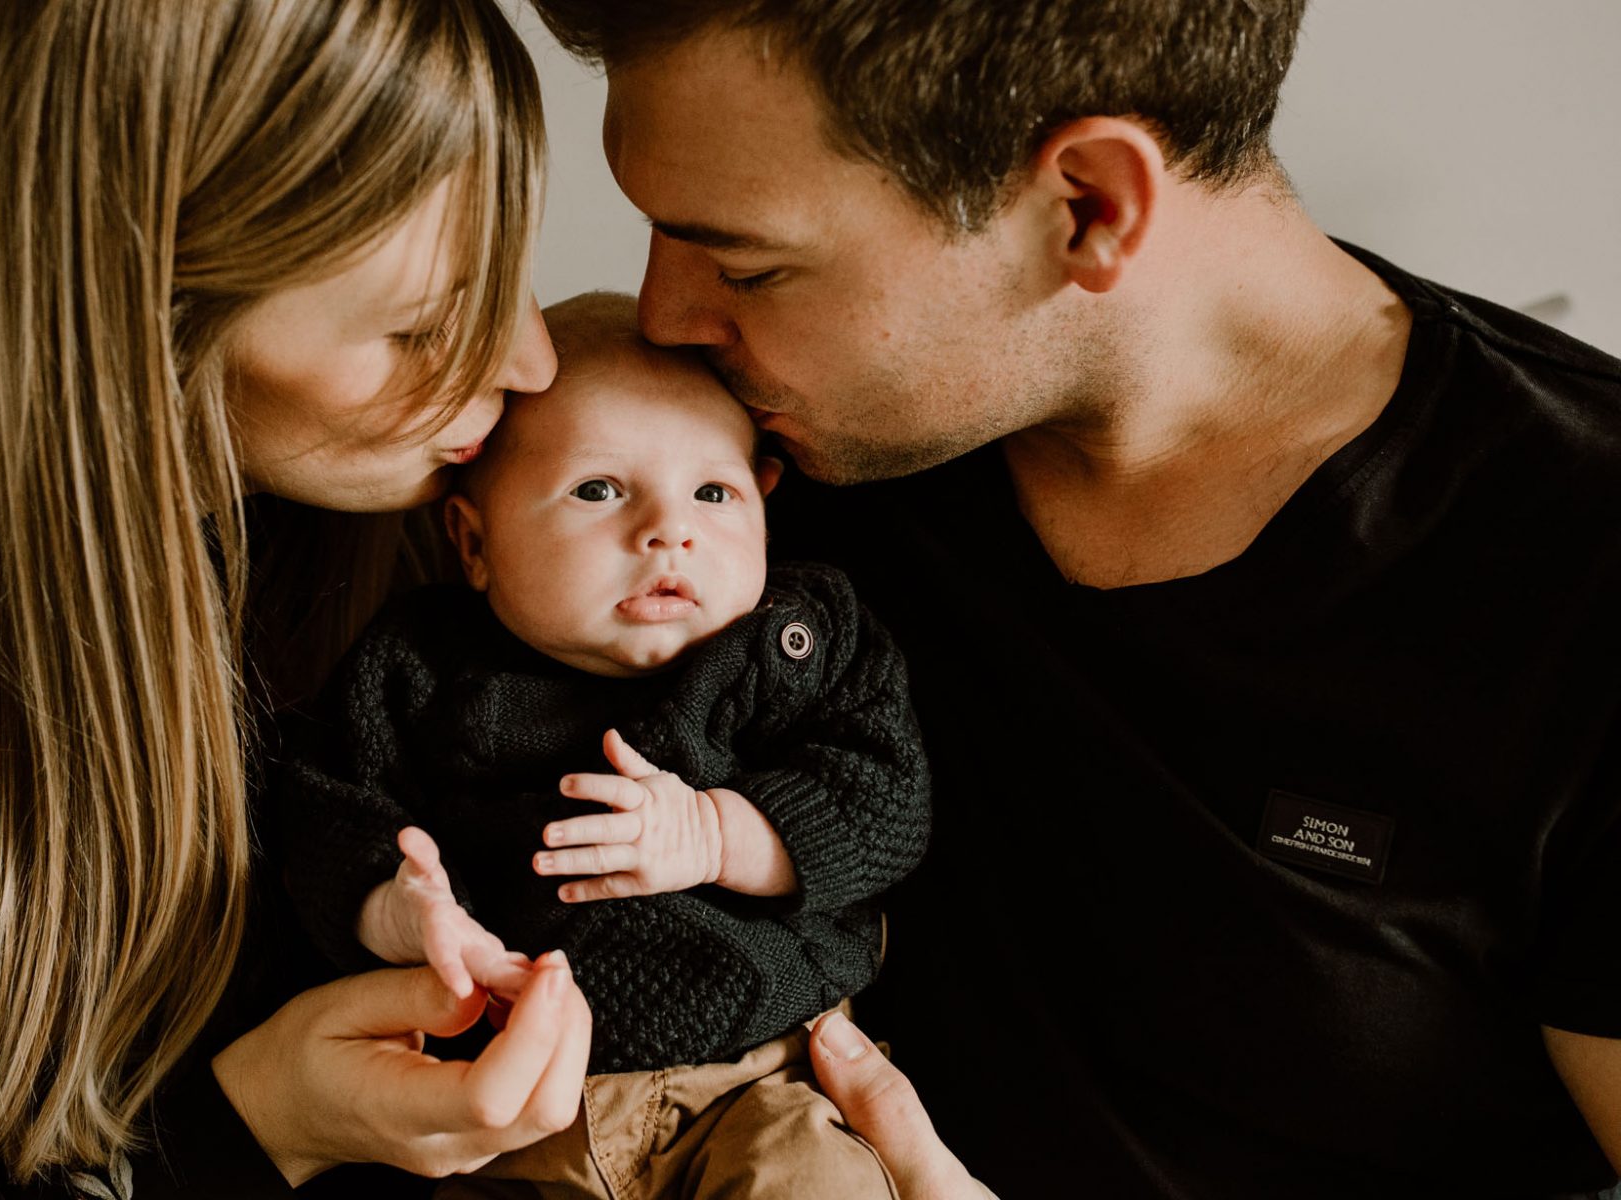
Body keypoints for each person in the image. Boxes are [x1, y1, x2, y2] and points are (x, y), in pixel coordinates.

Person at [527, 2, 1621, 1197]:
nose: (665, 317)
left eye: (746, 265)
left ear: (1087, 206)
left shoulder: (1581, 567)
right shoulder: (721, 466)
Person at [0, 1, 594, 1195]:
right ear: (140, 312)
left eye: (510, 270)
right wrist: (261, 1127)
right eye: (422, 329)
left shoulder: (426, 496)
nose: (529, 361)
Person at [280, 292, 931, 1198]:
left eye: (714, 491)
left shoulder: (799, 644)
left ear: (766, 506)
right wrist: (389, 905)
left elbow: (884, 800)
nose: (671, 529)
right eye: (599, 490)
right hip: (504, 1110)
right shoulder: (418, 666)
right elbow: (321, 808)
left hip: (763, 1082)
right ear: (474, 542)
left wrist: (715, 834)